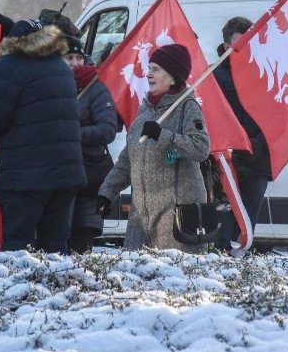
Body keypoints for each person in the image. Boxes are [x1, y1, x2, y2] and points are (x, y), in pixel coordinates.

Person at [0, 18, 86, 253]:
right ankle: (58, 289)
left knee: (17, 246)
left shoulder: (8, 66)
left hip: (26, 175)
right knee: (55, 246)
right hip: (65, 172)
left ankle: (19, 290)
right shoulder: (60, 66)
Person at [96, 43, 211, 253]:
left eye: (155, 69)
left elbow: (200, 148)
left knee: (176, 280)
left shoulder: (187, 107)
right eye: (149, 68)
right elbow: (128, 159)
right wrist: (107, 192)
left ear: (173, 77)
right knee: (134, 275)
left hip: (176, 218)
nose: (148, 74)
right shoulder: (145, 110)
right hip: (140, 218)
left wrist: (164, 136)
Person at [213, 16, 272, 252]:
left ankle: (242, 276)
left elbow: (277, 116)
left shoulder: (266, 71)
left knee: (246, 231)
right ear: (227, 46)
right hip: (226, 165)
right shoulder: (213, 76)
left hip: (256, 162)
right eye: (240, 46)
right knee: (224, 232)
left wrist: (257, 144)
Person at [63, 35, 118, 253]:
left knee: (81, 241)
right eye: (69, 58)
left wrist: (73, 133)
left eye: (78, 57)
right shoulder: (53, 86)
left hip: (89, 175)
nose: (76, 63)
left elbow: (107, 129)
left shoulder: (96, 89)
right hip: (62, 174)